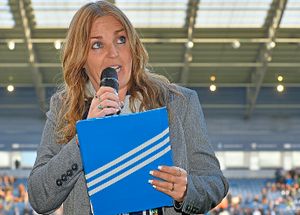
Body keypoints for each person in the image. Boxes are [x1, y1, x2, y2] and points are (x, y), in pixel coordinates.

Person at [27, 1, 228, 214]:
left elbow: (215, 182)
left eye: (121, 40)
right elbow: (39, 198)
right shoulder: (64, 108)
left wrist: (187, 190)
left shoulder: (179, 102)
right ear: (81, 58)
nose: (113, 53)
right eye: (97, 45)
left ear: (132, 46)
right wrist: (84, 137)